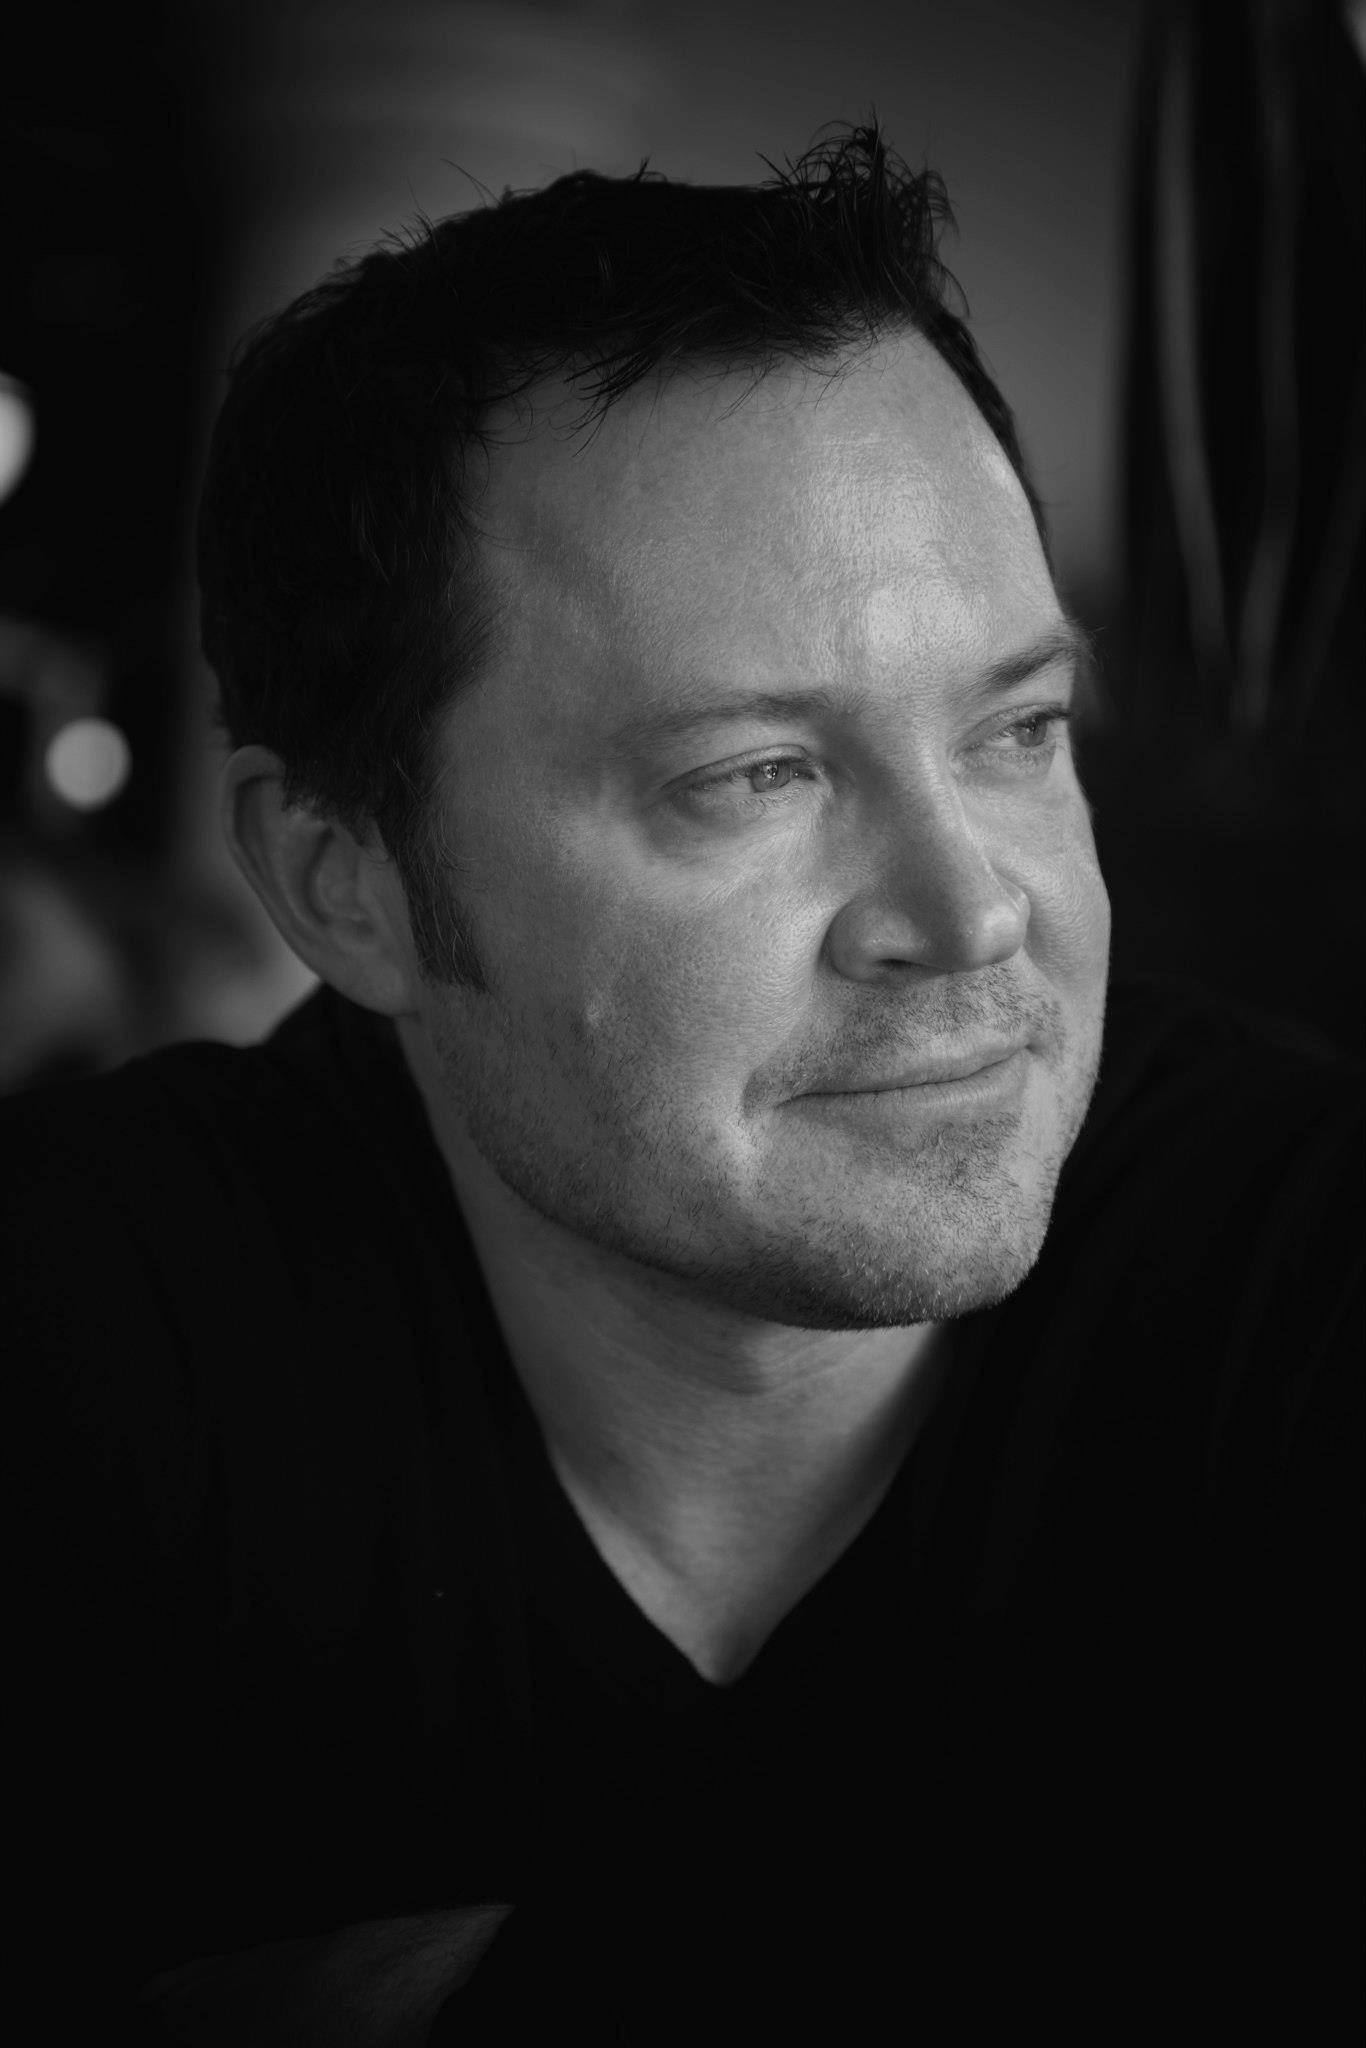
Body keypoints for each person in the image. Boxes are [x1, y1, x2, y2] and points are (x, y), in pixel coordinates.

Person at [7, 125, 1361, 2043]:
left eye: (1019, 729)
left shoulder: (1305, 1267)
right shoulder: (77, 1326)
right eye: (752, 776)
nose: (972, 913)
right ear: (346, 884)